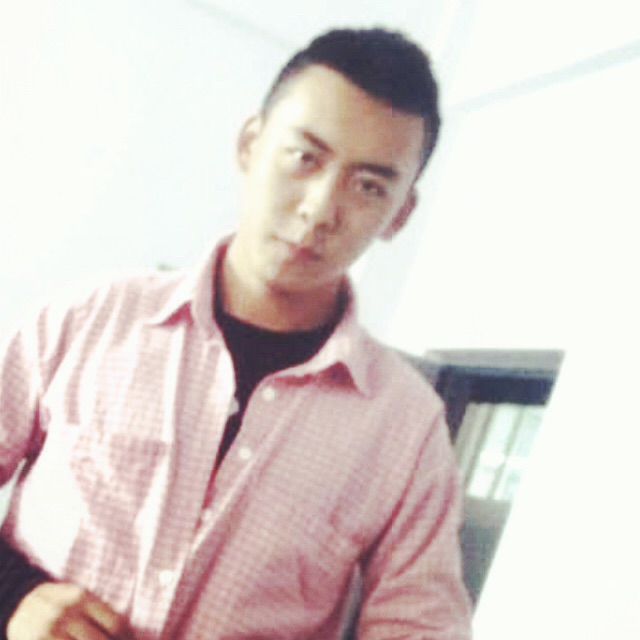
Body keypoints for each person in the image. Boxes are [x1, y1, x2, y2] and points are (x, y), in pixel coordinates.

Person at [0, 28, 472, 639]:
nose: (319, 209)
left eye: (369, 186)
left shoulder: (406, 427)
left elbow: (420, 624)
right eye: (305, 158)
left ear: (400, 214)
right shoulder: (86, 320)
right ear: (251, 144)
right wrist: (13, 595)